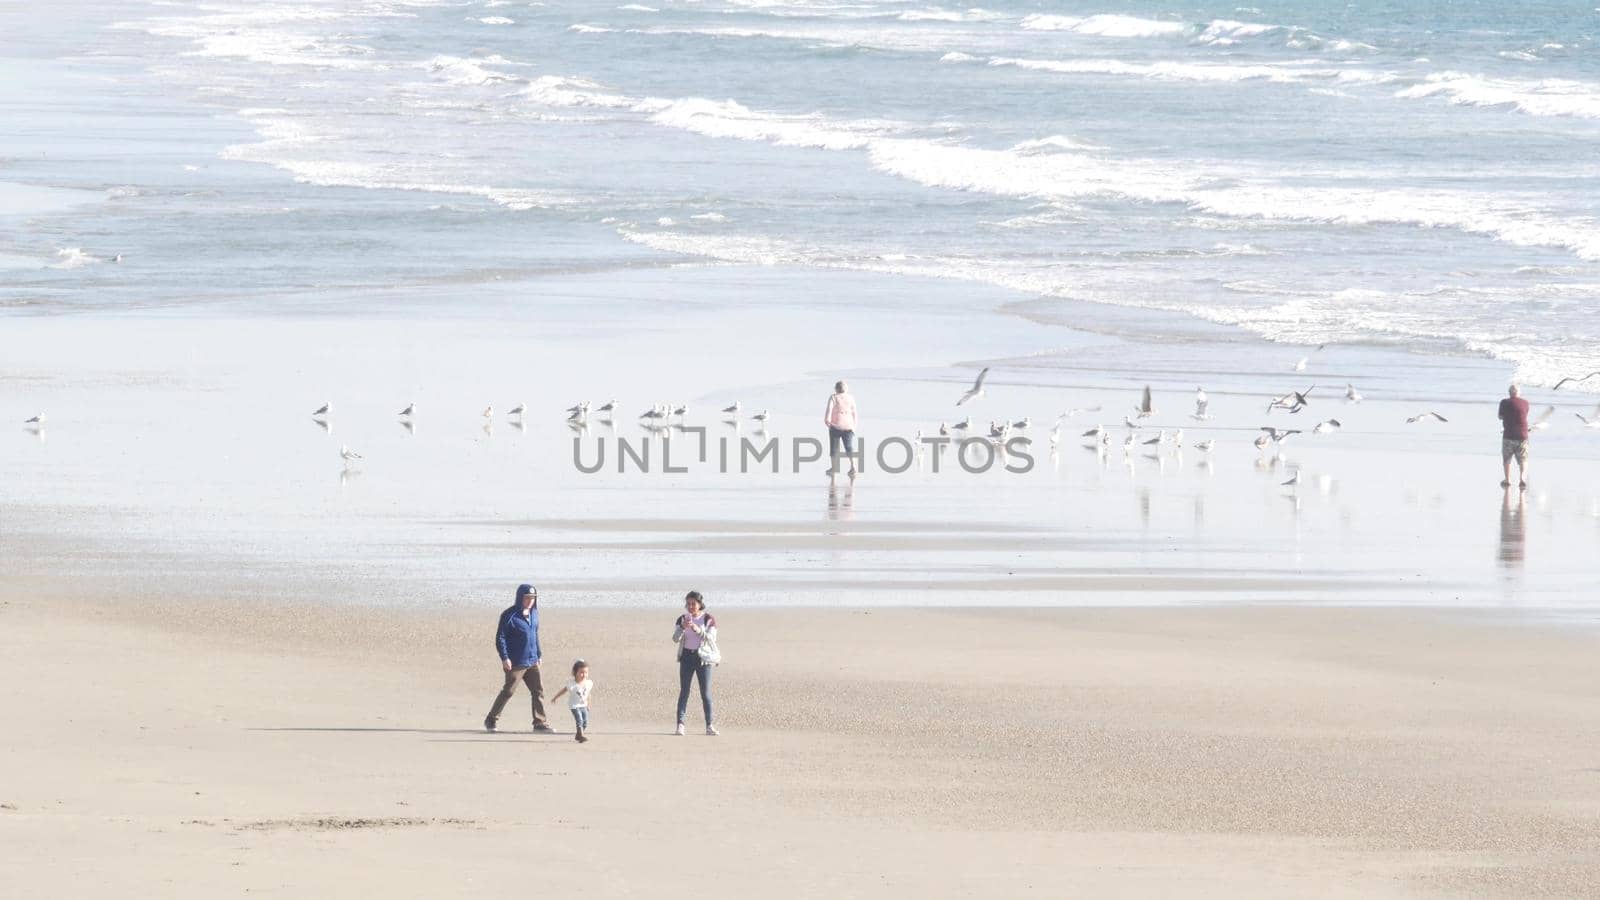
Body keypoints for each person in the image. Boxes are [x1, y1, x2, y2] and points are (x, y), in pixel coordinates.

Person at [484, 584, 553, 733]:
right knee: (508, 691)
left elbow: (535, 635)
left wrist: (538, 654)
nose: (530, 601)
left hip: (532, 660)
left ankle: (539, 722)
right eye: (527, 598)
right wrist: (505, 657)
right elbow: (500, 638)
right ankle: (491, 719)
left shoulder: (534, 614)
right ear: (520, 597)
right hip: (516, 661)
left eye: (533, 598)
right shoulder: (509, 615)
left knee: (538, 691)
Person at [673, 590, 718, 736]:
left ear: (700, 604)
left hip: (703, 659)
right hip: (686, 657)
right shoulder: (682, 619)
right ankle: (680, 725)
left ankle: (709, 726)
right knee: (684, 691)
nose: (691, 606)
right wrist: (683, 627)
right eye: (688, 604)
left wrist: (697, 629)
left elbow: (711, 639)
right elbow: (675, 638)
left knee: (705, 693)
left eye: (694, 604)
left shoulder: (708, 619)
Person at [549, 660, 594, 744]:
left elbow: (588, 694)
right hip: (574, 705)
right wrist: (555, 697)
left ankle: (579, 734)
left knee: (585, 722)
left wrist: (588, 704)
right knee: (579, 719)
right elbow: (564, 690)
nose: (584, 675)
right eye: (581, 672)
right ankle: (580, 735)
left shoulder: (588, 683)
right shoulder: (571, 684)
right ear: (575, 672)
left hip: (583, 705)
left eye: (586, 672)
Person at [823, 379, 859, 478]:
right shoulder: (851, 398)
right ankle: (853, 467)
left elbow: (829, 409)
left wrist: (827, 421)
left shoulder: (834, 397)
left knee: (834, 448)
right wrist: (854, 426)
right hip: (849, 426)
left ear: (836, 389)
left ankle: (834, 468)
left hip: (835, 425)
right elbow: (854, 412)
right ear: (846, 389)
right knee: (849, 448)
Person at [1497, 384, 1530, 489]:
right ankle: (1522, 478)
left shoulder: (1504, 402)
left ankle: (1508, 479)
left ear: (1509, 393)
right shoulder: (1525, 403)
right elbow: (1524, 414)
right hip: (1522, 435)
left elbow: (1500, 416)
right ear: (1518, 393)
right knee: (1523, 459)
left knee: (1507, 458)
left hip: (1508, 435)